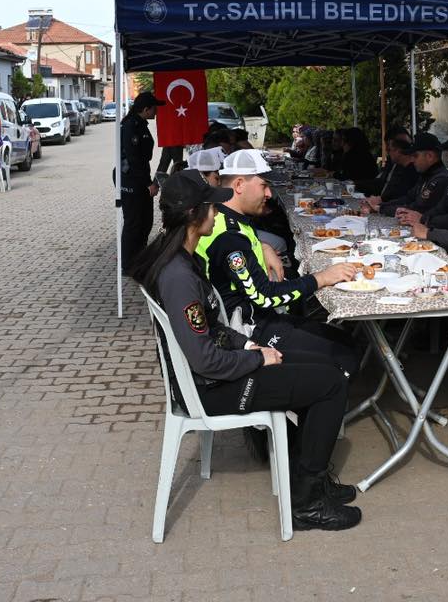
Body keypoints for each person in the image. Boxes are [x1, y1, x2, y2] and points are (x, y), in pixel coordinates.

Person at [135, 170, 361, 531]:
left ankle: (306, 480)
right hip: (210, 388)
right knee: (330, 383)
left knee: (321, 368)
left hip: (216, 372)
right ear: (196, 215)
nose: (218, 211)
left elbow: (212, 326)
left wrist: (246, 343)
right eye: (212, 206)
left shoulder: (182, 256)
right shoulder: (179, 276)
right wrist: (256, 357)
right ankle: (306, 503)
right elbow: (203, 357)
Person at [197, 149, 361, 375]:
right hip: (246, 331)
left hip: (257, 318)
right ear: (239, 185)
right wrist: (321, 278)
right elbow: (264, 297)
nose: (269, 193)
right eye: (264, 185)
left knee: (345, 340)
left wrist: (263, 248)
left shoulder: (227, 217)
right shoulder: (229, 235)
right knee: (344, 357)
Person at [120, 91, 164, 274]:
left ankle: (140, 258)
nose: (156, 112)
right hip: (132, 181)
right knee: (134, 223)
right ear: (146, 109)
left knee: (145, 222)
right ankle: (129, 264)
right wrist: (148, 185)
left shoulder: (140, 124)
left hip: (140, 179)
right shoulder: (130, 126)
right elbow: (133, 159)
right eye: (154, 108)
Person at [365, 133, 448, 217]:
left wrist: (380, 208)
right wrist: (380, 205)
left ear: (430, 156)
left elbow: (417, 208)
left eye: (415, 156)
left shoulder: (441, 179)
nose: (412, 160)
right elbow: (408, 198)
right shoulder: (426, 175)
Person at [355, 129, 413, 198]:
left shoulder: (410, 169)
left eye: (389, 147)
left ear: (398, 149)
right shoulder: (392, 163)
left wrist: (381, 203)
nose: (387, 150)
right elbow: (380, 182)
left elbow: (402, 196)